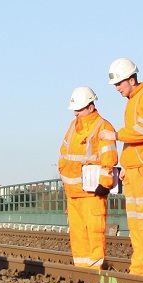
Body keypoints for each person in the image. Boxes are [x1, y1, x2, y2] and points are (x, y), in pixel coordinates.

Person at [99, 58, 143, 278]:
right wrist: (128, 165)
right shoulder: (134, 101)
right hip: (138, 169)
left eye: (119, 84)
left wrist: (116, 135)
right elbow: (139, 138)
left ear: (131, 79)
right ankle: (140, 269)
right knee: (137, 223)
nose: (117, 88)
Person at [58, 86, 118, 269]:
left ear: (91, 107)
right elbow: (64, 151)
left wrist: (105, 183)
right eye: (75, 110)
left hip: (92, 193)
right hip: (74, 193)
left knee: (94, 232)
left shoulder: (103, 126)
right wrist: (63, 170)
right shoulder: (72, 127)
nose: (76, 113)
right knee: (78, 235)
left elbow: (109, 157)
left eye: (80, 110)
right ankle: (82, 271)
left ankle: (95, 270)